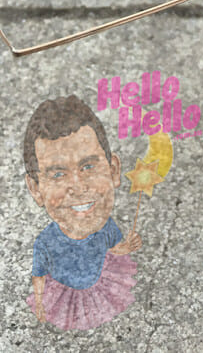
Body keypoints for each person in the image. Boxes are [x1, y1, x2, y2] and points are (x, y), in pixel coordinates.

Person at [23, 95, 142, 330]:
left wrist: (126, 247)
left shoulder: (107, 227)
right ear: (36, 189)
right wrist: (39, 302)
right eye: (58, 174)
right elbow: (39, 275)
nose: (78, 187)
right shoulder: (45, 242)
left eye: (88, 166)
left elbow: (112, 252)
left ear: (113, 170)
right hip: (64, 296)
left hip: (99, 288)